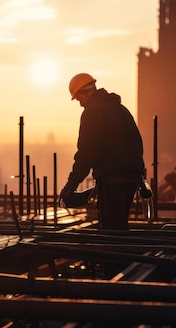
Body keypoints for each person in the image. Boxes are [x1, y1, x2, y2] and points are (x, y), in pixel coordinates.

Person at [60, 73, 145, 230]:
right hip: (131, 178)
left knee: (110, 230)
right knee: (119, 226)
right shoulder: (120, 109)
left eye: (79, 99)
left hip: (112, 179)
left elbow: (87, 153)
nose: (80, 104)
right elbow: (137, 143)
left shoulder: (93, 112)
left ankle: (114, 253)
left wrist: (70, 187)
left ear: (88, 92)